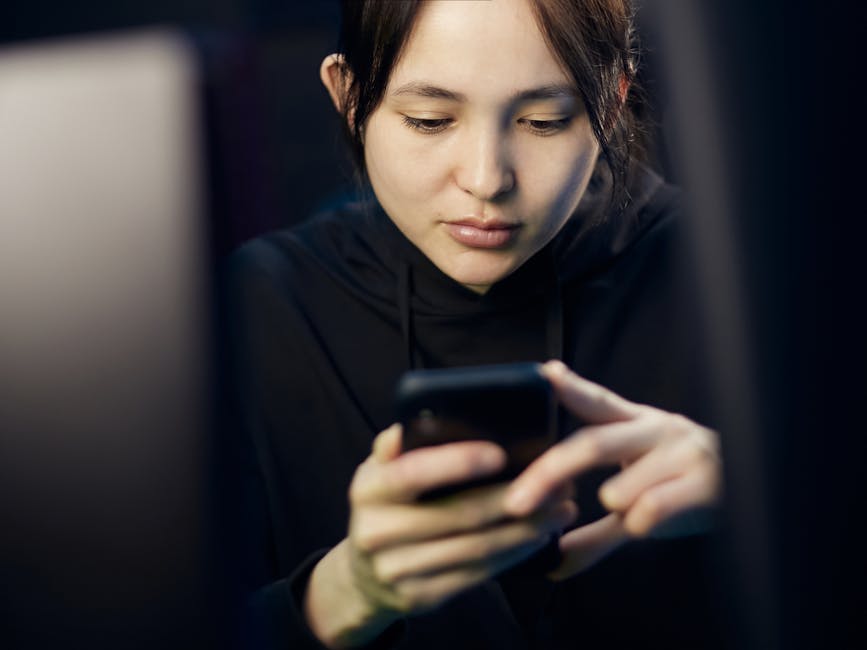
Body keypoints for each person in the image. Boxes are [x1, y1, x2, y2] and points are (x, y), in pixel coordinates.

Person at [226, 1, 724, 648]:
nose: (487, 181)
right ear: (348, 96)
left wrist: (773, 497)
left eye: (544, 121)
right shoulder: (260, 306)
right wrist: (345, 591)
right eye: (429, 120)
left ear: (611, 100)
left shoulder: (733, 289)